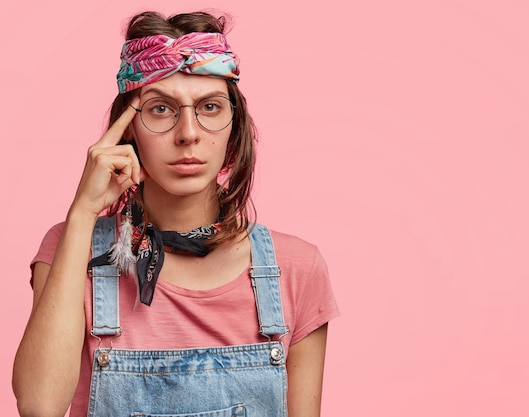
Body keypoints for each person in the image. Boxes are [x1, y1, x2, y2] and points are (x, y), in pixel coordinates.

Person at [12, 10, 339, 417]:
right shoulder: (69, 248)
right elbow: (39, 406)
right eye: (161, 109)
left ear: (234, 125)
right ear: (128, 127)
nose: (188, 132)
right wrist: (83, 212)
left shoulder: (296, 269)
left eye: (211, 107)